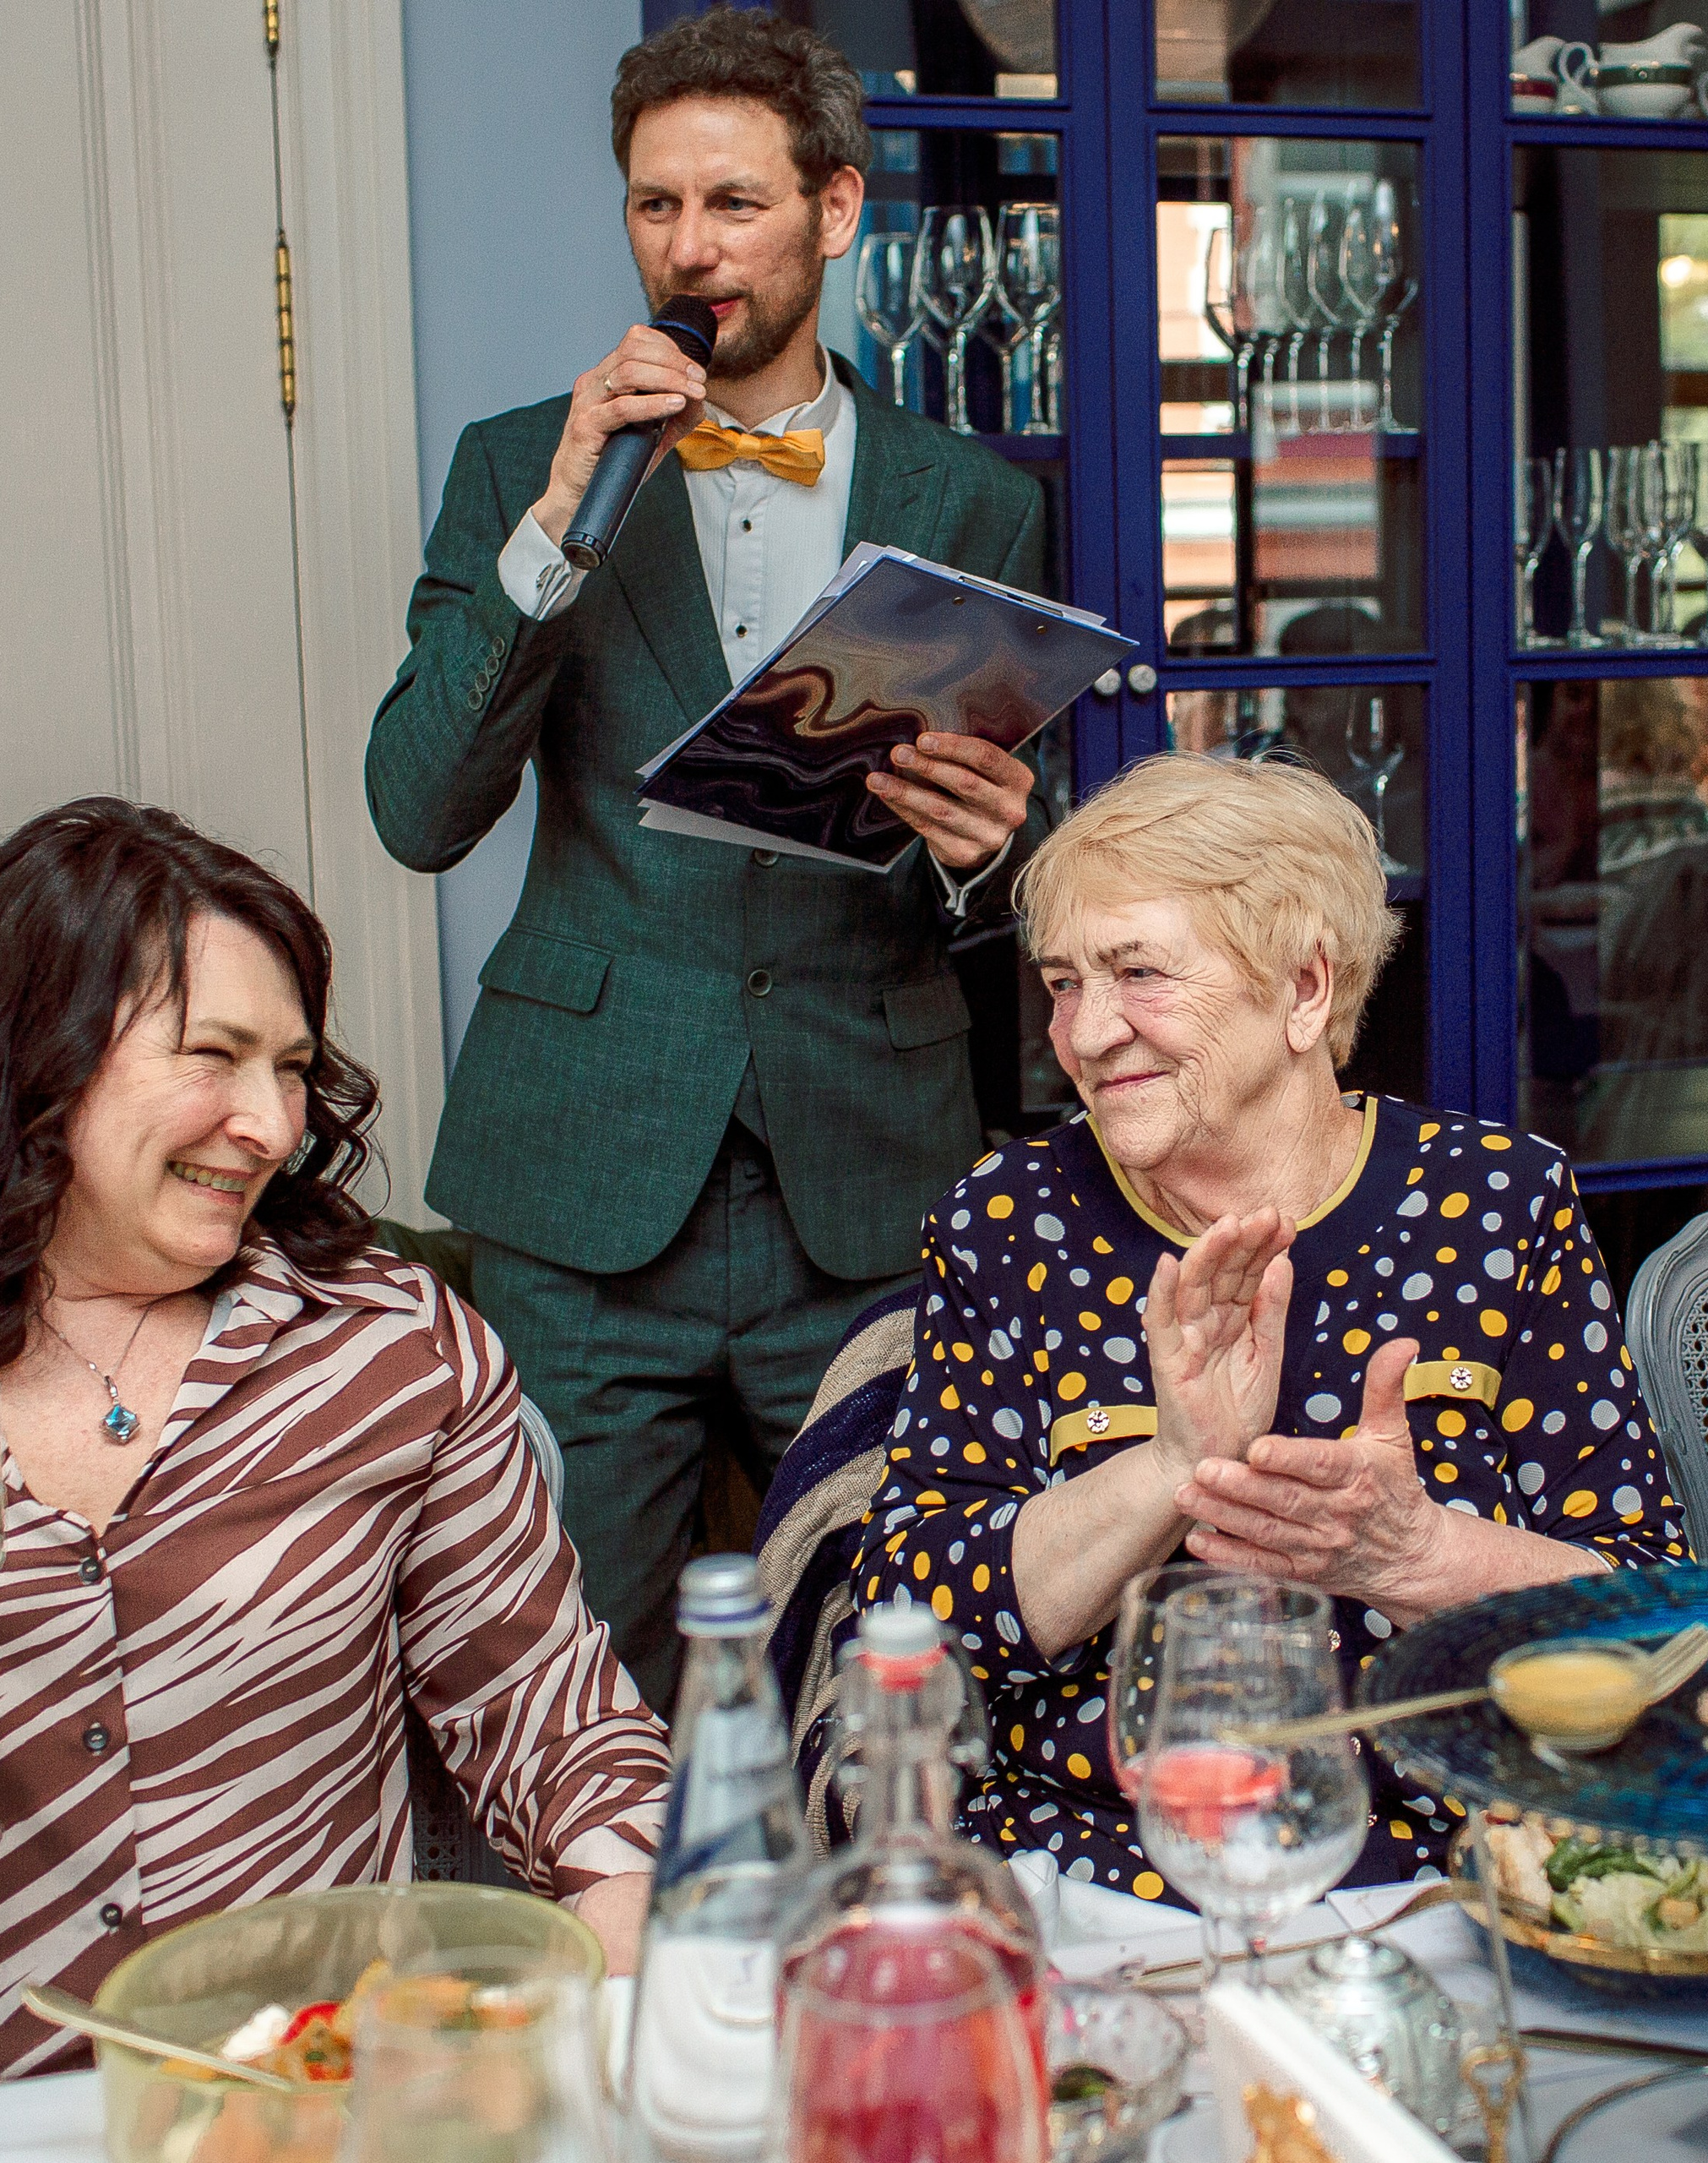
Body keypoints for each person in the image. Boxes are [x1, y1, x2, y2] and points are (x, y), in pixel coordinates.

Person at [366, 13, 1045, 1710]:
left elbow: (966, 857)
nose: (687, 246)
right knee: (570, 1668)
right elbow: (416, 808)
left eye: (732, 203)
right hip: (587, 1178)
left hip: (863, 1170)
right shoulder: (520, 467)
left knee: (894, 1647)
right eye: (653, 205)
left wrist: (980, 857)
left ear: (834, 208)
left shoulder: (970, 499)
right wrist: (563, 511)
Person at [851, 757, 1686, 1896]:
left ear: (1304, 989)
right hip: (1101, 1874)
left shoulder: (1500, 1203)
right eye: (1061, 983)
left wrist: (1418, 1558)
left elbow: (1655, 1619)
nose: (1088, 1033)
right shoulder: (1013, 1221)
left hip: (1462, 1877)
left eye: (1138, 973)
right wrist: (1171, 1469)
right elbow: (909, 1619)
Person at [0, 802, 666, 2079]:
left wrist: (629, 1887)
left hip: (316, 2096)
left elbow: (545, 1704)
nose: (272, 1124)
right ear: (41, 1053)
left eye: (292, 1067)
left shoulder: (386, 1346)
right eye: (215, 1054)